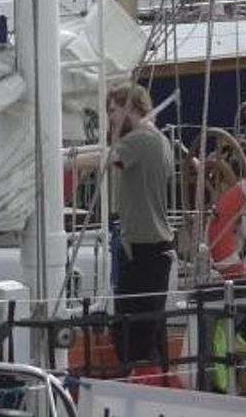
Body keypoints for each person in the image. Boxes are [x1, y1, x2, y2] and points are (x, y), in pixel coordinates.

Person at [72, 83, 174, 370]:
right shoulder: (159, 140)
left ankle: (140, 392)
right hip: (148, 250)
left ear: (130, 108)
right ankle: (152, 385)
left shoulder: (141, 139)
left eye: (113, 111)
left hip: (143, 253)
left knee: (132, 335)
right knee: (147, 331)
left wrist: (63, 161)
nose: (111, 120)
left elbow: (105, 159)